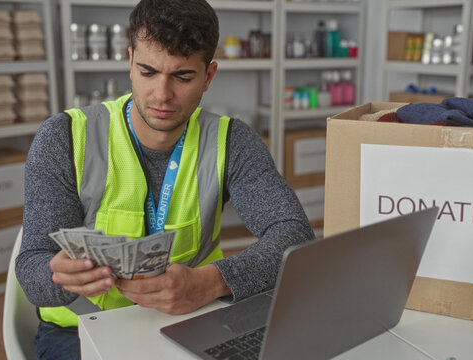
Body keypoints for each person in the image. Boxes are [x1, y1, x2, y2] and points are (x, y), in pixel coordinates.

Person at [16, 0, 315, 358]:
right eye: (147, 71)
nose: (162, 94)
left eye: (183, 76)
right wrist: (59, 277)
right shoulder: (64, 137)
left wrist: (211, 282)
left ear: (209, 76)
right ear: (129, 62)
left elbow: (294, 235)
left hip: (192, 320)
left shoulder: (231, 140)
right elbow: (32, 268)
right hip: (78, 330)